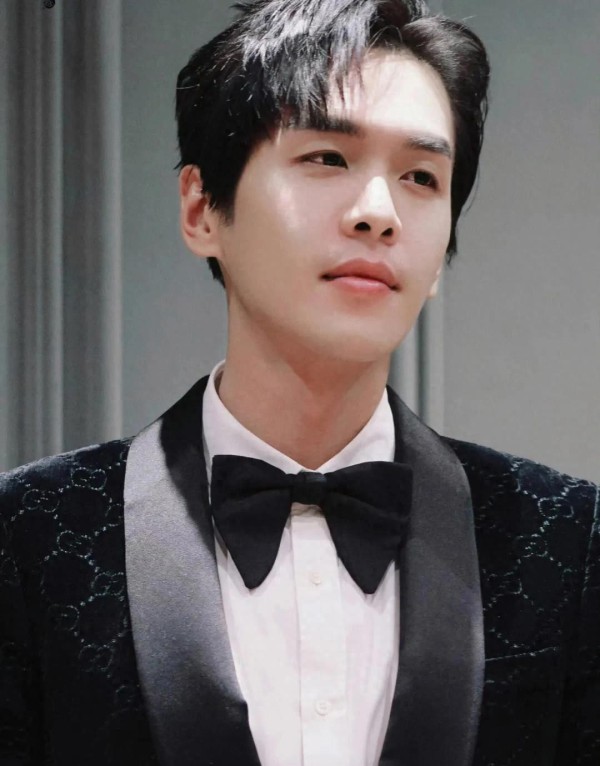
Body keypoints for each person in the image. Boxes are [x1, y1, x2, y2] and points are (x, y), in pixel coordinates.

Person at [1, 0, 598, 764]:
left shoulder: (568, 539)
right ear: (202, 209)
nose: (379, 213)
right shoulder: (28, 535)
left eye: (421, 176)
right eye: (326, 158)